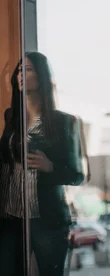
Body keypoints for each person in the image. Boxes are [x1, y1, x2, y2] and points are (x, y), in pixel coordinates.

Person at [0, 52, 84, 276]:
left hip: (47, 219)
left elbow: (77, 175)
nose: (21, 75)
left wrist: (51, 168)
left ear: (42, 76)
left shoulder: (64, 121)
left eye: (27, 69)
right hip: (11, 218)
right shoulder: (11, 117)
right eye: (19, 70)